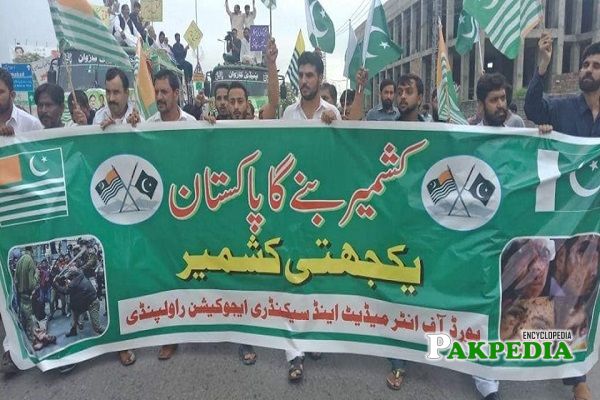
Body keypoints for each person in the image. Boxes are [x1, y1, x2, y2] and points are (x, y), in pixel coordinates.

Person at [280, 51, 340, 381]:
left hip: (323, 210)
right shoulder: (288, 114)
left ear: (319, 77)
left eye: (310, 75)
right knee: (292, 278)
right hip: (292, 210)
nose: (304, 81)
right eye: (300, 75)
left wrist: (336, 129)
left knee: (318, 276)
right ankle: (294, 352)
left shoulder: (331, 112)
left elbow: (345, 156)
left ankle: (315, 337)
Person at [525, 34, 599, 137]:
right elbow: (533, 109)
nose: (589, 70)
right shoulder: (562, 108)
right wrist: (544, 64)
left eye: (596, 66)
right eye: (585, 65)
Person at [52, 268, 103, 338]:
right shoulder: (81, 275)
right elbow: (67, 279)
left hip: (92, 303)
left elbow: (65, 291)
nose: (67, 279)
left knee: (97, 327)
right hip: (83, 303)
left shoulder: (74, 284)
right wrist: (60, 278)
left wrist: (55, 284)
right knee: (74, 316)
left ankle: (109, 333)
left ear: (73, 277)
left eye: (69, 277)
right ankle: (73, 331)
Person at [0, 67, 42, 135]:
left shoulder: (32, 124)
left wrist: (14, 141)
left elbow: (40, 146)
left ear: (12, 95)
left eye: (0, 92)